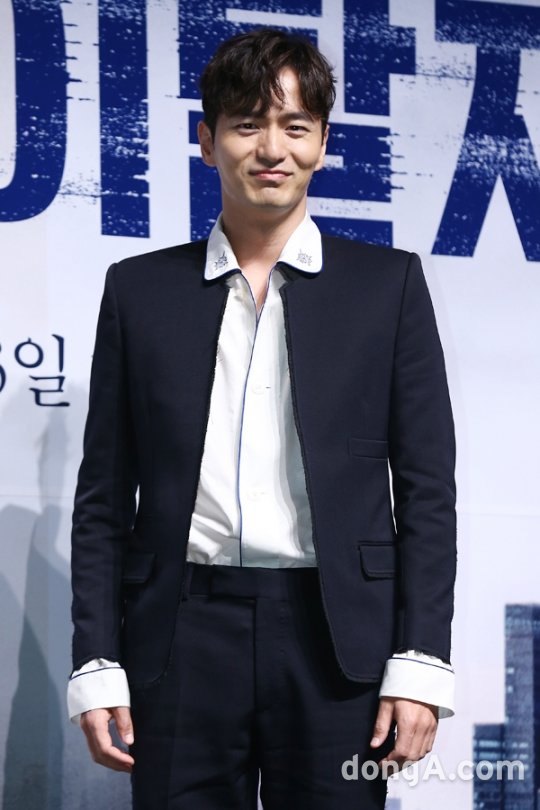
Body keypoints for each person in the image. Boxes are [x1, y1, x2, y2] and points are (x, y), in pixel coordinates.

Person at [68, 28, 457, 810]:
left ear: (322, 144)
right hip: (178, 636)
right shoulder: (139, 291)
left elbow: (427, 493)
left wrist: (421, 659)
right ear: (207, 141)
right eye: (247, 124)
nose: (271, 148)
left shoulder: (387, 287)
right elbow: (103, 499)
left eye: (295, 126)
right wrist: (96, 660)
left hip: (337, 641)